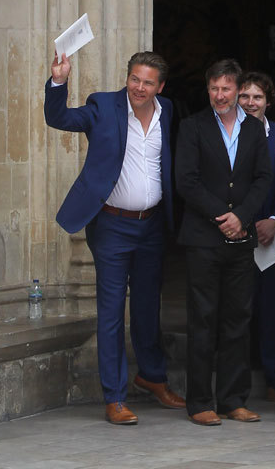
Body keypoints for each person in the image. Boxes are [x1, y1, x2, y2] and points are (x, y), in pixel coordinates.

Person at [44, 50, 185, 426]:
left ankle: (152, 377)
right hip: (112, 226)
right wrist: (59, 81)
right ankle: (115, 397)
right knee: (110, 311)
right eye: (135, 79)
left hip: (152, 225)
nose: (139, 87)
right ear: (127, 78)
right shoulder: (103, 106)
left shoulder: (167, 111)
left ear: (160, 87)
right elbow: (58, 118)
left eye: (148, 82)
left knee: (147, 307)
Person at [175, 58, 271, 426]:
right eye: (214, 88)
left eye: (226, 88)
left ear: (237, 89)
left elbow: (263, 179)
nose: (219, 95)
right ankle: (200, 401)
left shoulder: (254, 129)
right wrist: (223, 217)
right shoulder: (192, 126)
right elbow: (186, 181)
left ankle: (233, 400)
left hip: (241, 240)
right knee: (203, 320)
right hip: (203, 239)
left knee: (237, 320)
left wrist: (242, 217)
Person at [237, 70, 275, 402]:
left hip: (273, 239)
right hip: (235, 234)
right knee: (236, 310)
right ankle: (235, 382)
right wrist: (242, 222)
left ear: (268, 101)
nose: (250, 102)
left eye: (257, 96)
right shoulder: (226, 134)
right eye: (244, 96)